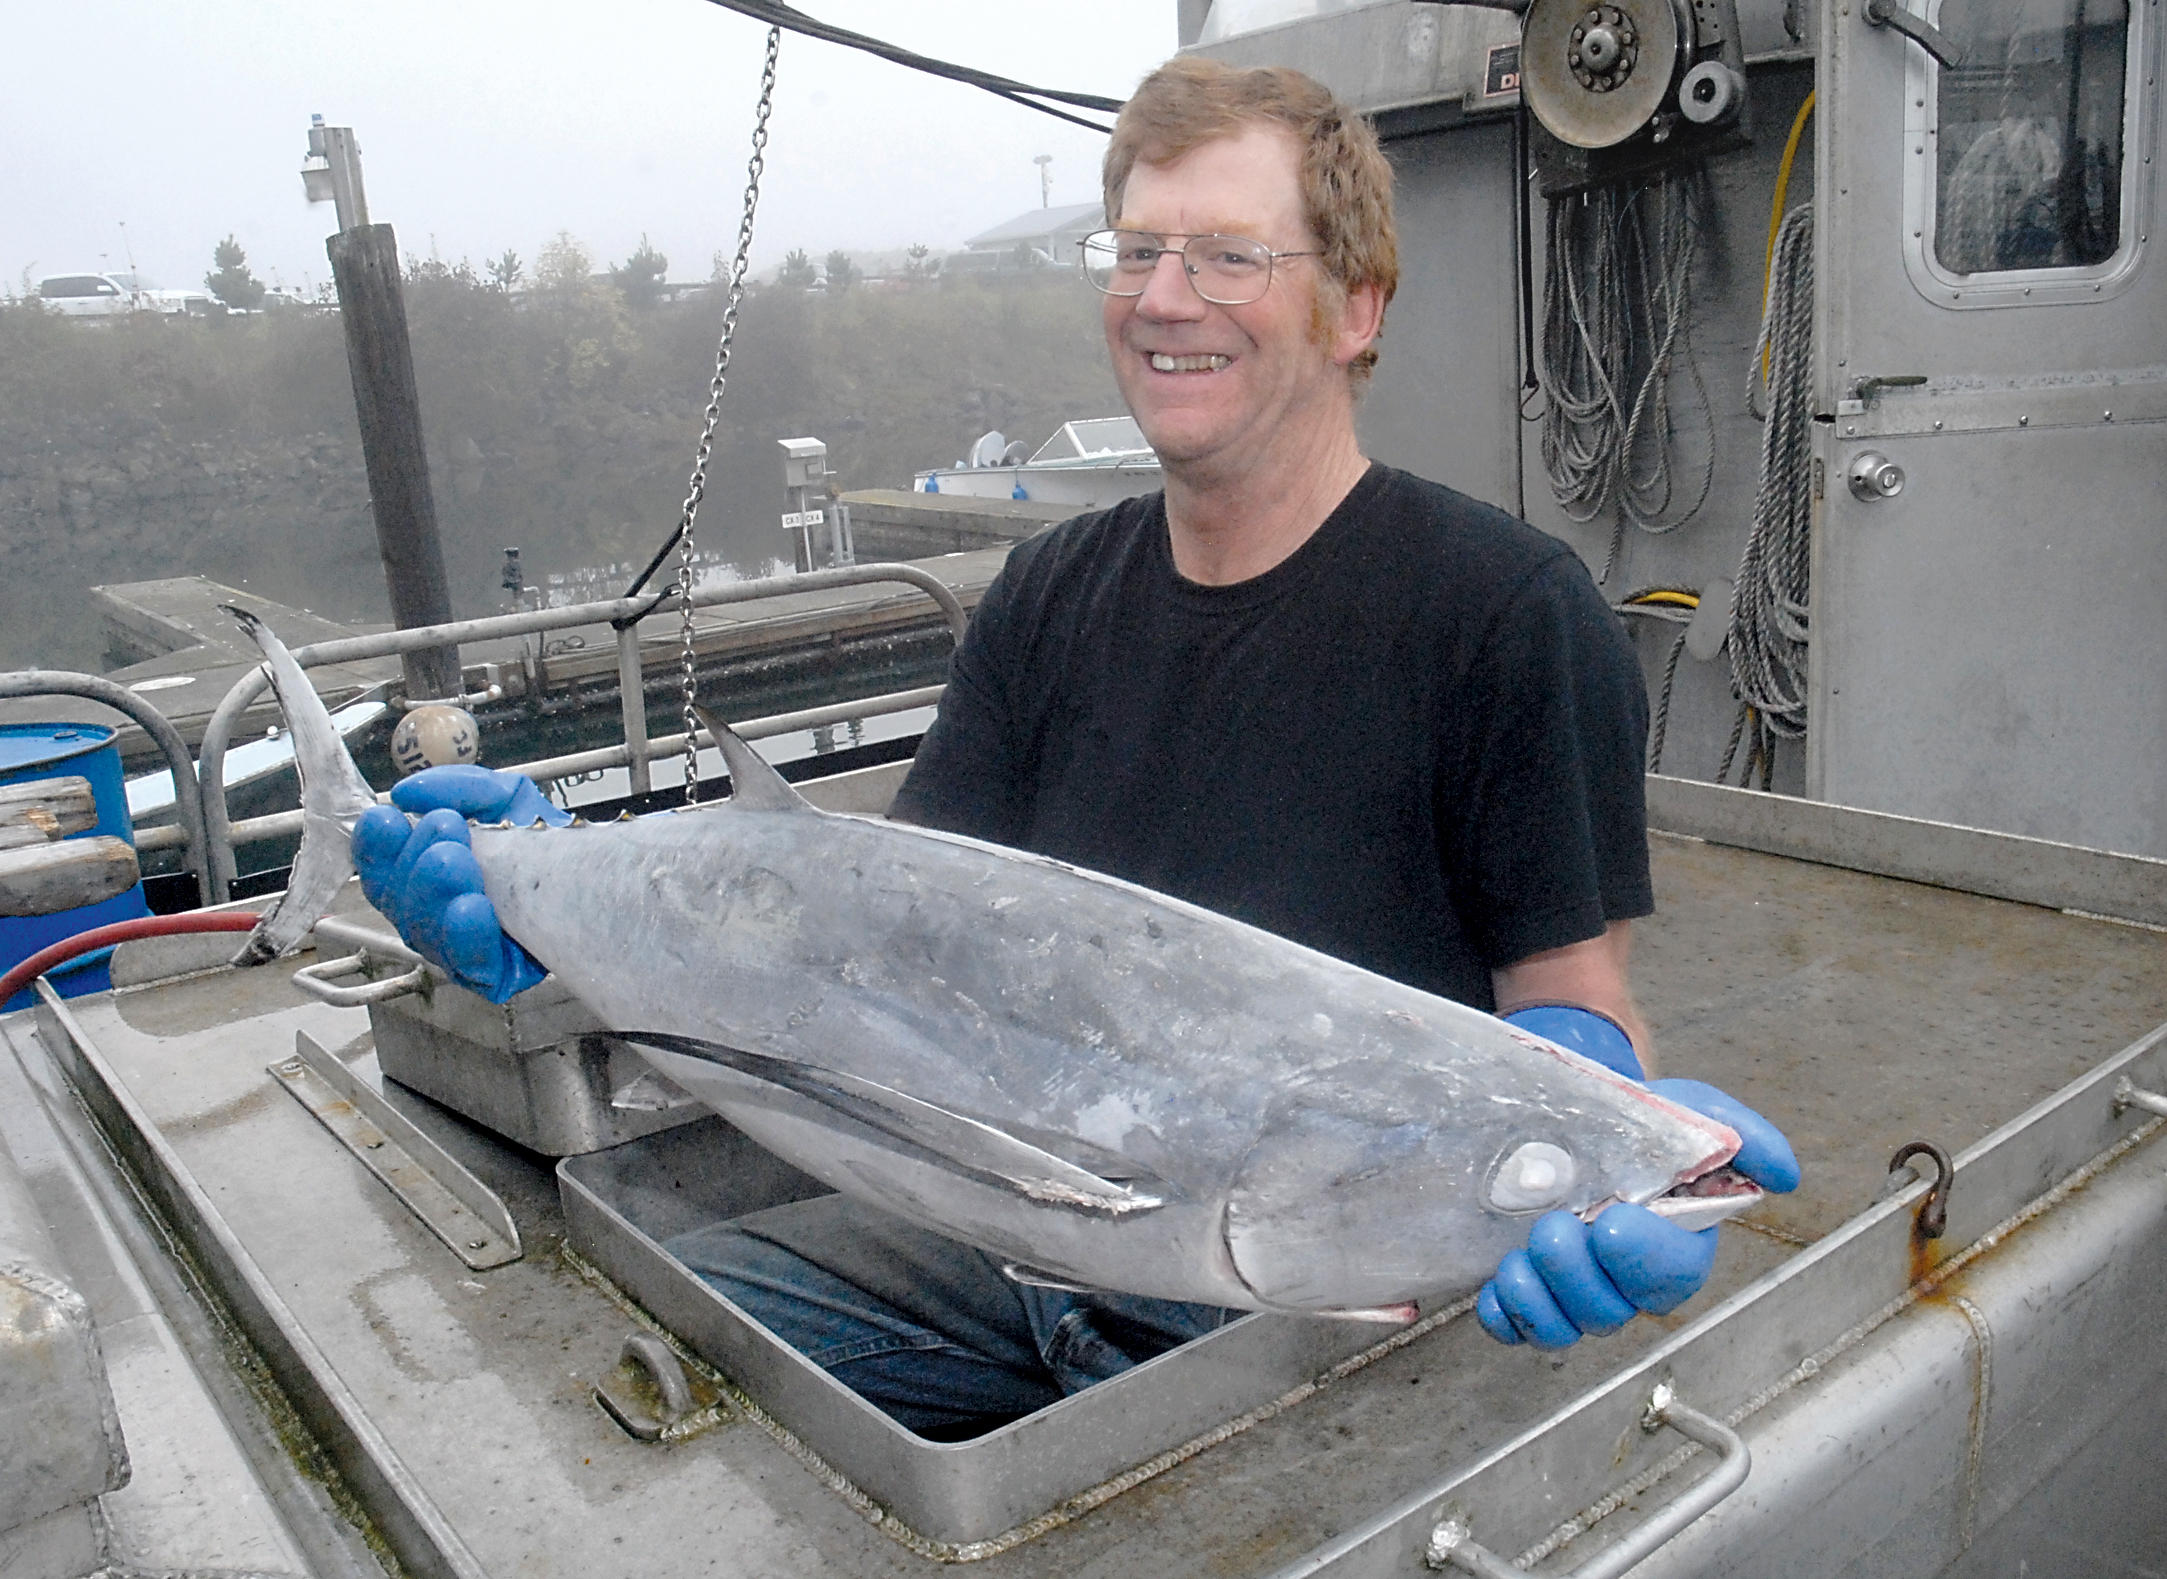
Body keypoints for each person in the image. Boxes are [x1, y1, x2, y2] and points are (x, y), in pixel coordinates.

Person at [355, 57, 1796, 1437]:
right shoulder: (1047, 594)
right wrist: (549, 911)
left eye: (1230, 257)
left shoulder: (1508, 614)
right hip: (1000, 1232)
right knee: (614, 1359)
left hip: (1298, 1302)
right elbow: (875, 919)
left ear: (1356, 309)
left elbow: (1571, 990)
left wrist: (1600, 1146)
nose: (1163, 300)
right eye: (1135, 252)